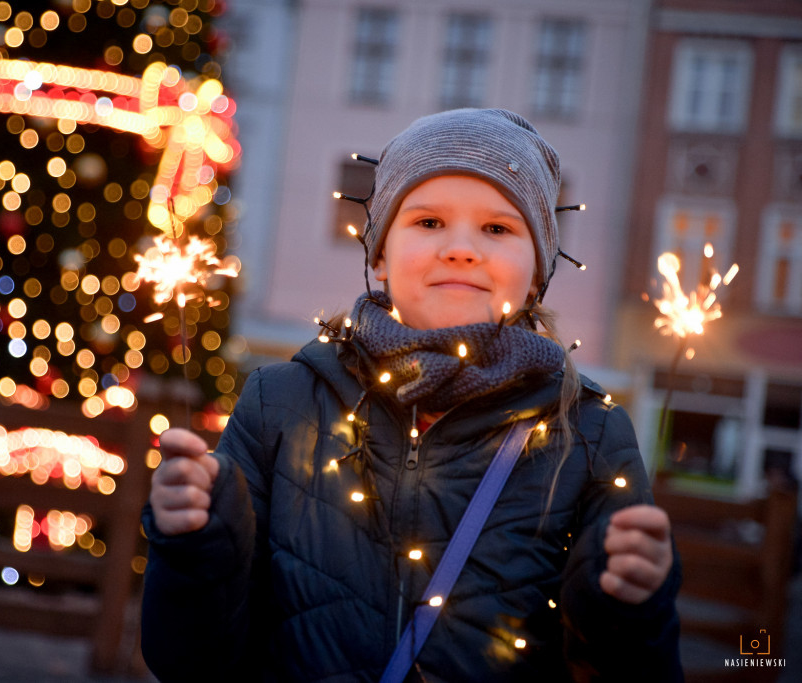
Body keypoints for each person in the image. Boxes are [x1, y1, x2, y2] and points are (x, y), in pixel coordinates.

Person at [141, 108, 682, 682]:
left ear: (536, 270)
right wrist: (197, 549)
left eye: (497, 229)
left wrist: (628, 609)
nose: (461, 249)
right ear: (377, 250)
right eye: (428, 222)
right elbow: (188, 662)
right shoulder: (280, 402)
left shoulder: (590, 434)